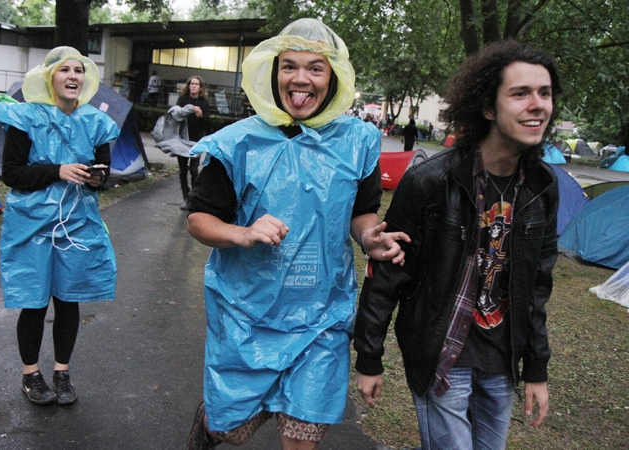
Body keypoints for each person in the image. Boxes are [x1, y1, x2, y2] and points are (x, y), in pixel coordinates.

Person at [183, 18, 410, 450]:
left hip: (321, 315)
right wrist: (243, 232)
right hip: (248, 313)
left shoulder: (358, 141)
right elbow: (199, 220)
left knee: (302, 438)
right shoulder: (236, 143)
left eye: (315, 68)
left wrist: (368, 238)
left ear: (333, 78)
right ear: (274, 72)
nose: (301, 79)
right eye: (289, 66)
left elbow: (361, 212)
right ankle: (209, 425)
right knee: (229, 427)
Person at [353, 39, 561, 449]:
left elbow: (538, 286)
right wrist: (369, 357)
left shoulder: (542, 188)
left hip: (502, 361)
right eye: (520, 94)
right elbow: (388, 271)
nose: (537, 104)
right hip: (443, 353)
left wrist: (536, 369)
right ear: (487, 107)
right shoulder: (431, 180)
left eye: (545, 93)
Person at [0, 46, 120, 406]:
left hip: (77, 224)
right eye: (65, 70)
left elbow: (104, 173)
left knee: (68, 299)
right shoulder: (26, 118)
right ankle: (31, 375)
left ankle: (62, 372)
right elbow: (12, 173)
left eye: (79, 70)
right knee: (33, 300)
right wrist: (58, 170)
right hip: (30, 224)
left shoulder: (96, 123)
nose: (73, 76)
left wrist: (96, 180)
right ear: (50, 78)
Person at [176, 75, 211, 210]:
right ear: (188, 86)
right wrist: (188, 109)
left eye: (196, 84)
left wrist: (201, 115)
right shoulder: (183, 99)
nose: (194, 86)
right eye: (192, 84)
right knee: (183, 170)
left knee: (194, 170)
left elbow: (208, 123)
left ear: (200, 87)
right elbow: (176, 113)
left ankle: (194, 197)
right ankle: (186, 197)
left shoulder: (204, 103)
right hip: (182, 139)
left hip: (196, 140)